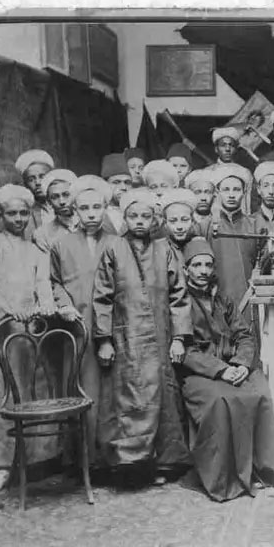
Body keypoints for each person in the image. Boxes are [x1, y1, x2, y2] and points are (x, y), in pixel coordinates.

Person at [177, 237, 274, 501]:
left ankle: (263, 472)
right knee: (222, 401)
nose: (203, 271)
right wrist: (220, 370)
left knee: (260, 392)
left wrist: (240, 363)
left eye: (208, 265)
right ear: (186, 270)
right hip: (201, 374)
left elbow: (244, 335)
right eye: (197, 265)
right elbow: (186, 351)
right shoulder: (180, 305)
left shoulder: (224, 301)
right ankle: (224, 479)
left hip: (233, 366)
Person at [92, 188, 192, 487]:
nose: (139, 221)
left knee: (163, 397)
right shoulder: (113, 248)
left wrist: (179, 338)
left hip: (161, 338)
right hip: (126, 338)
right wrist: (104, 340)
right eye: (133, 216)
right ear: (124, 217)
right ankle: (130, 466)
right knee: (128, 400)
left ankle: (164, 462)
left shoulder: (165, 250)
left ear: (155, 219)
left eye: (145, 216)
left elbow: (179, 296)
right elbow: (102, 297)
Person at [0, 184, 59, 493]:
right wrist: (6, 313)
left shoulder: (37, 249)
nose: (18, 219)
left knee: (30, 392)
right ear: (1, 215)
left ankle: (33, 461)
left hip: (30, 332)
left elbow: (43, 283)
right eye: (12, 213)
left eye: (23, 213)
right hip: (0, 332)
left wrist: (44, 307)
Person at [50, 176, 118, 468]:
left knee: (112, 392)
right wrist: (64, 304)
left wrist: (110, 335)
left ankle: (112, 461)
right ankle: (83, 462)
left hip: (113, 325)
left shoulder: (117, 242)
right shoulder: (61, 244)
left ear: (105, 208)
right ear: (75, 210)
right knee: (82, 388)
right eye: (84, 208)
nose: (91, 214)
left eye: (96, 207)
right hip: (78, 328)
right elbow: (54, 281)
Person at [201, 164, 263, 313]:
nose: (231, 195)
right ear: (217, 192)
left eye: (236, 190)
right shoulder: (205, 226)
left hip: (248, 300)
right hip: (216, 301)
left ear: (244, 192)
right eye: (226, 189)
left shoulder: (255, 225)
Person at [202, 127, 255, 213]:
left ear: (236, 149)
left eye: (231, 145)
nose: (227, 149)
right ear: (216, 149)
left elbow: (247, 204)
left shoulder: (244, 172)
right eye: (223, 145)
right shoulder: (206, 173)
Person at [32, 169, 80, 252]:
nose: (62, 202)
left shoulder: (91, 224)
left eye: (66, 195)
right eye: (55, 197)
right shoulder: (42, 234)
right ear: (49, 202)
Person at [14, 148, 55, 240]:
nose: (38, 183)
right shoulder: (26, 215)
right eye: (31, 179)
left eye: (42, 176)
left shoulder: (68, 206)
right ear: (26, 184)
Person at [160, 188, 202, 261]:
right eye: (173, 221)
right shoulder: (160, 249)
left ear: (193, 221)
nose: (179, 227)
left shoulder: (200, 245)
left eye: (184, 220)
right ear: (165, 223)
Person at [101, 153, 132, 235]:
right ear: (105, 184)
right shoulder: (97, 213)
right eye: (116, 182)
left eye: (127, 182)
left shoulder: (138, 212)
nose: (123, 187)